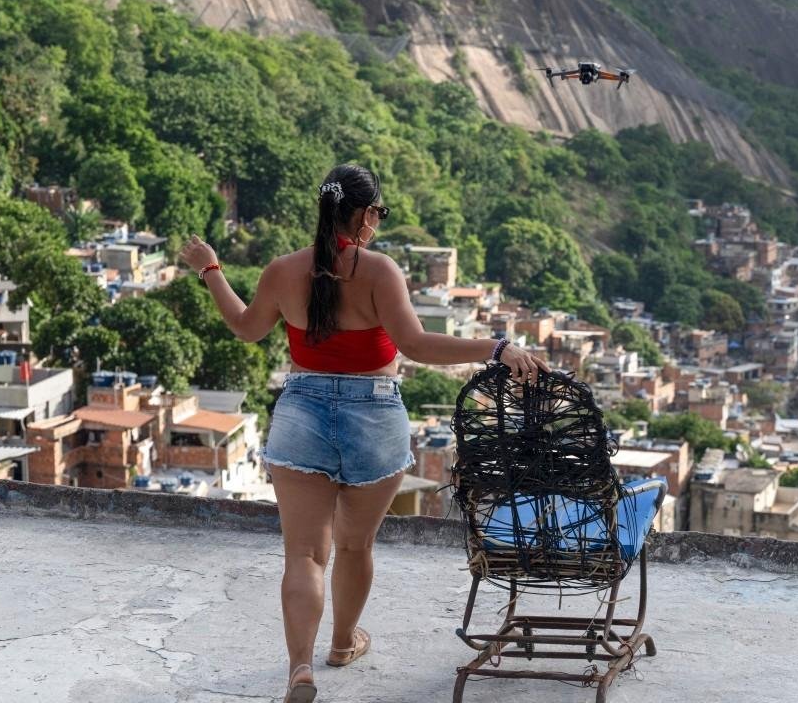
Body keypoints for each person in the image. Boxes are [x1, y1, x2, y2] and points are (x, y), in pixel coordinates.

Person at [179, 163, 549, 702]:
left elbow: (245, 328)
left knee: (304, 554)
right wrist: (496, 348)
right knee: (354, 546)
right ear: (366, 213)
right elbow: (418, 346)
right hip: (374, 414)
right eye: (379, 211)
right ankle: (343, 642)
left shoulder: (283, 270)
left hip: (302, 410)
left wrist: (210, 267)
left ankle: (300, 669)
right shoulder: (379, 272)